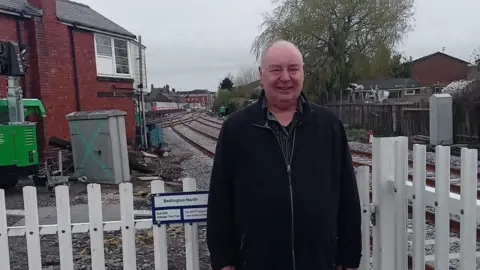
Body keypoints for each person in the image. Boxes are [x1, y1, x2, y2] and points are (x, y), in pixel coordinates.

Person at [206, 40, 362, 270]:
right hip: (256, 261)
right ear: (262, 74)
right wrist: (223, 260)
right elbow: (220, 199)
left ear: (303, 72)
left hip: (319, 261)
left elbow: (347, 195)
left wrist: (349, 257)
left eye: (293, 69)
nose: (285, 78)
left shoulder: (329, 126)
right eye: (276, 69)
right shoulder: (236, 129)